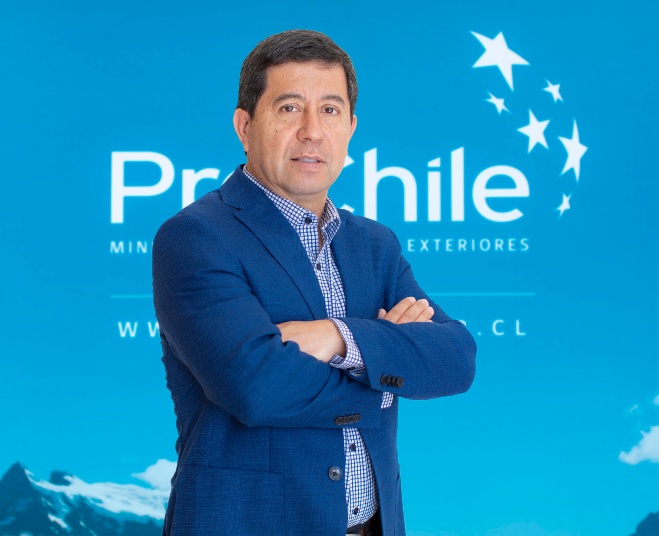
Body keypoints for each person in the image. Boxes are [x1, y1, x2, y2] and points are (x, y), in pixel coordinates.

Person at [152, 29, 476, 536]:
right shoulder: (196, 237)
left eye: (329, 110)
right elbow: (256, 387)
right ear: (244, 125)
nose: (312, 131)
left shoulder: (374, 244)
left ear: (350, 127)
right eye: (289, 108)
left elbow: (456, 357)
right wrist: (385, 372)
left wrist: (338, 338)